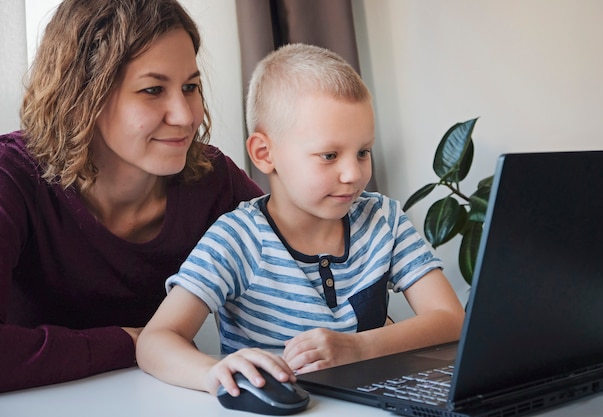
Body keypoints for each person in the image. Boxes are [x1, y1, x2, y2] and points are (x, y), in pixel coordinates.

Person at [136, 43, 465, 397]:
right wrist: (213, 373)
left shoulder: (385, 219)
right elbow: (155, 340)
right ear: (265, 154)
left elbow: (451, 318)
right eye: (329, 155)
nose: (353, 174)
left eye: (363, 152)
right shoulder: (236, 238)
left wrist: (360, 348)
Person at [0, 0, 270, 393]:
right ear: (83, 96)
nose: (184, 115)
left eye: (190, 87)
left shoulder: (214, 180)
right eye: (152, 90)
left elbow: (301, 258)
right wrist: (130, 343)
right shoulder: (12, 177)